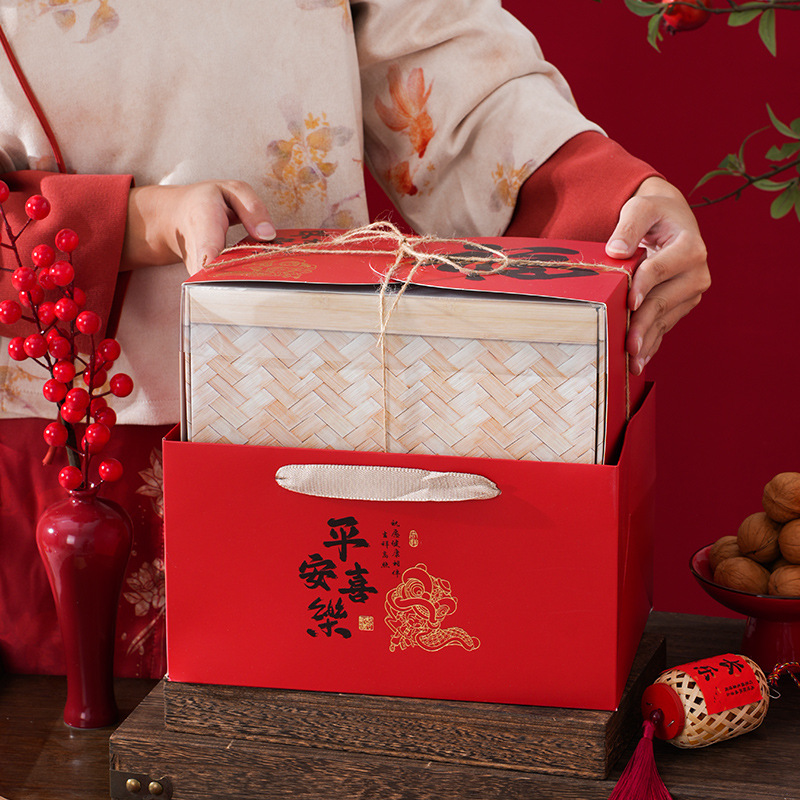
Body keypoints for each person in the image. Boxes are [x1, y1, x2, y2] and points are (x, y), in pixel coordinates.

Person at [0, 0, 709, 679]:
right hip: (60, 438)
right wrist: (127, 223)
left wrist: (609, 197)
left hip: (306, 395)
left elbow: (437, 53)